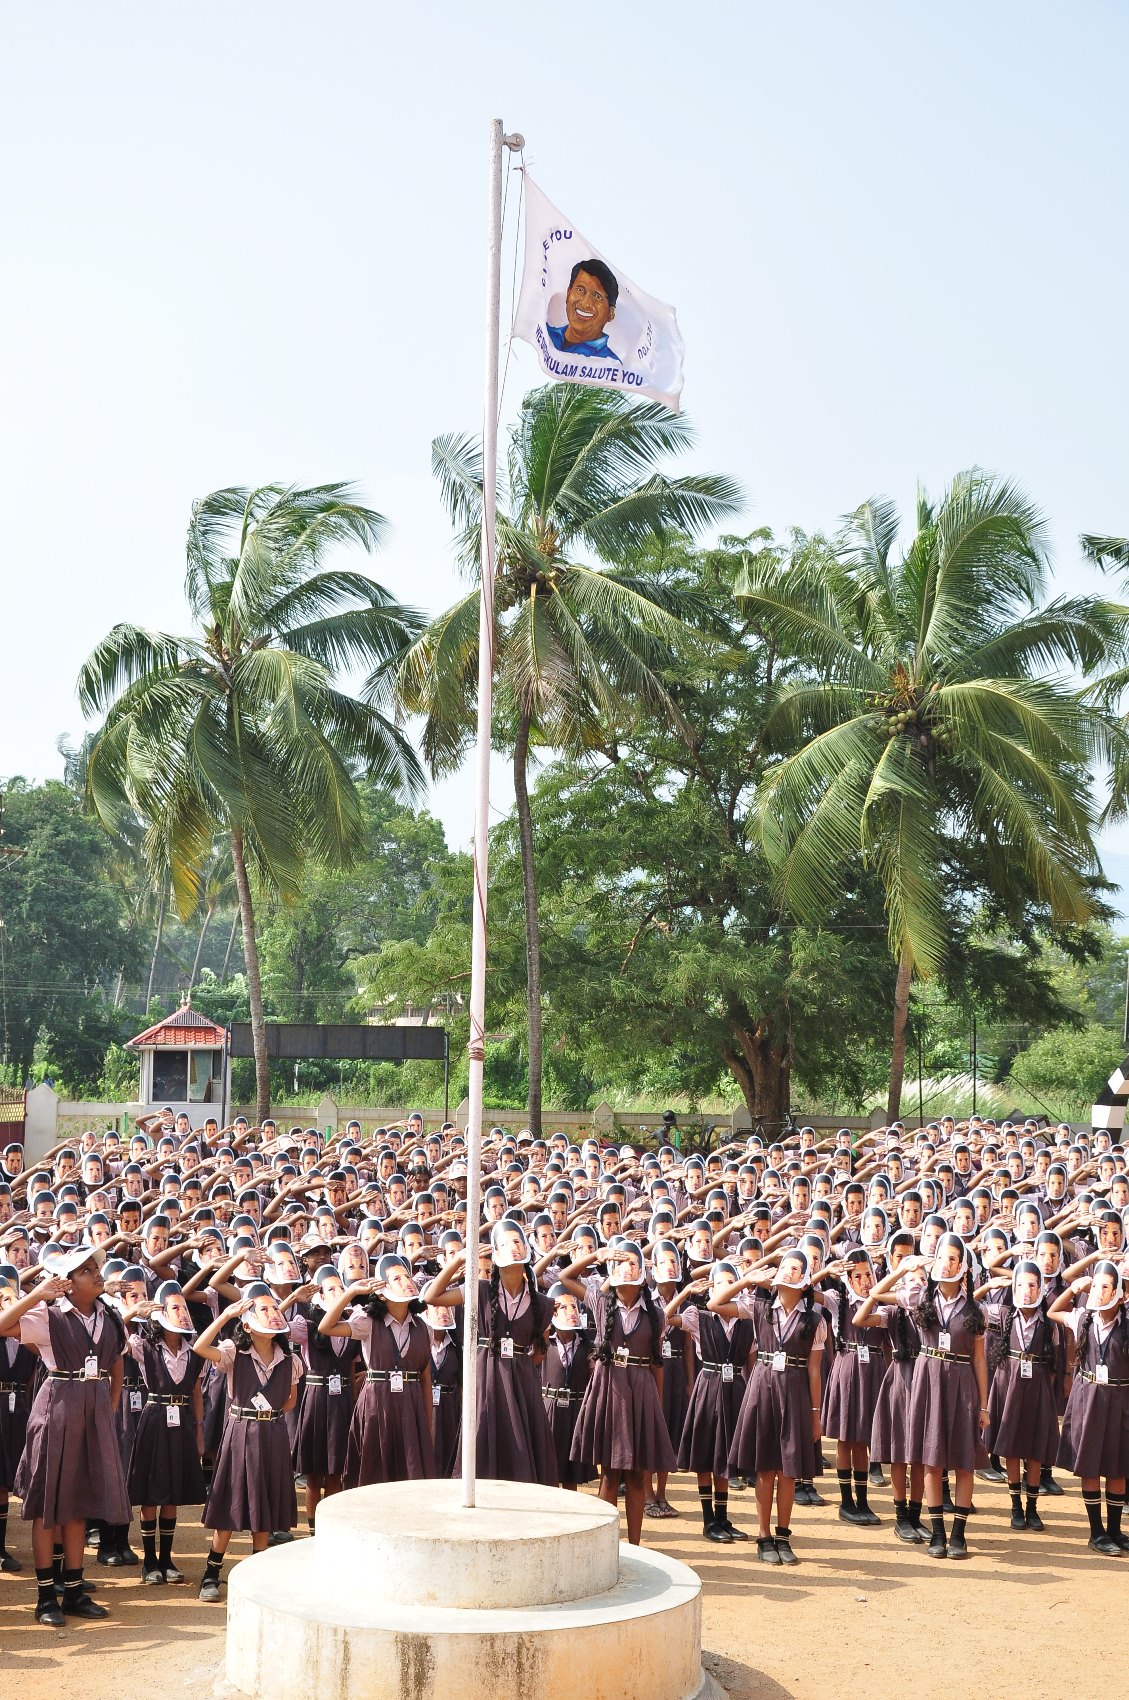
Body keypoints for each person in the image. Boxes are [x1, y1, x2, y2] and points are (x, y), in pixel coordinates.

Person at [4, 1245, 129, 1626]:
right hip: (56, 1408)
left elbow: (115, 1365)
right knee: (47, 1508)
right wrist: (36, 1294)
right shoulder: (49, 1314)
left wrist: (107, 1409)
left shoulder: (109, 1315)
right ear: (68, 1284)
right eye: (86, 1270)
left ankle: (73, 1590)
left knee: (77, 1505)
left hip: (92, 1412)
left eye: (95, 1267)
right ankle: (45, 1599)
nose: (96, 1273)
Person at [712, 1249, 824, 1566]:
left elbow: (815, 1370)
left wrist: (816, 1414)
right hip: (762, 1388)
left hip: (795, 1392)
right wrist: (748, 1277)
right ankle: (763, 1536)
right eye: (784, 1266)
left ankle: (783, 1535)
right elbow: (715, 1303)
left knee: (788, 1471)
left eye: (795, 1268)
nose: (787, 1271)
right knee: (765, 1468)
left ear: (804, 1280)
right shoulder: (760, 1306)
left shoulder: (814, 1320)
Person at [560, 1239, 676, 1546]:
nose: (628, 1267)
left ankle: (635, 1547)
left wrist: (656, 1409)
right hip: (609, 1388)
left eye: (634, 1262)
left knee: (638, 1476)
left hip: (641, 1392)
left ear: (643, 1272)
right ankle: (605, 1546)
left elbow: (656, 1364)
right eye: (622, 1262)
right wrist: (597, 1256)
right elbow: (565, 1278)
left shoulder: (656, 1314)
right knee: (610, 1474)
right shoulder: (601, 1301)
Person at [423, 1219, 556, 1486]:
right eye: (505, 1243)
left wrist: (519, 1371)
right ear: (495, 1252)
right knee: (482, 1445)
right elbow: (432, 1297)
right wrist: (459, 1259)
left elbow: (540, 1351)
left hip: (522, 1386)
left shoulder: (542, 1303)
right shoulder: (480, 1290)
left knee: (520, 1453)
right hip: (485, 1382)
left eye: (517, 1240)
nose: (513, 1247)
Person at [193, 1283, 302, 1602]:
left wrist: (267, 1419)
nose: (272, 1313)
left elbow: (290, 1400)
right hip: (240, 1433)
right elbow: (200, 1347)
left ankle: (258, 1573)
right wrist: (225, 1314)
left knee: (265, 1501)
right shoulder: (232, 1352)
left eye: (275, 1308)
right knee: (231, 1501)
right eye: (264, 1309)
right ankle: (212, 1573)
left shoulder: (289, 1359)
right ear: (248, 1321)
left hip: (273, 1436)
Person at [317, 1253, 435, 1488]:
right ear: (382, 1292)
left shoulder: (424, 1328)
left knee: (409, 1473)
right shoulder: (368, 1322)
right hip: (376, 1404)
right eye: (396, 1279)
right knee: (374, 1470)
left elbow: (425, 1378)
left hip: (411, 1407)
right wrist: (351, 1293)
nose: (406, 1281)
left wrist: (428, 1424)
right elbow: (325, 1327)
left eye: (406, 1276)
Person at [904, 1233, 989, 1559]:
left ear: (963, 1265)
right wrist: (909, 1267)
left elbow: (980, 1359)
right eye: (941, 1257)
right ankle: (937, 1533)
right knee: (931, 1460)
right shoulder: (920, 1300)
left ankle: (958, 1535)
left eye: (953, 1258)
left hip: (962, 1386)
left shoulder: (975, 1310)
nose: (946, 1263)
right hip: (928, 1385)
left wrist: (984, 1404)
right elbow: (881, 1292)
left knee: (964, 1462)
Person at [665, 1260, 754, 1543]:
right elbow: (666, 1317)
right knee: (706, 1456)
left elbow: (751, 1362)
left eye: (732, 1282)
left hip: (734, 1389)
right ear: (711, 1288)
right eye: (721, 1283)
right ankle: (708, 1521)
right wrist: (685, 1291)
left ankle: (723, 1517)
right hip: (708, 1385)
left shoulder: (747, 1318)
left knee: (725, 1456)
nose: (726, 1287)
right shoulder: (698, 1315)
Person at [124, 1280, 207, 1583]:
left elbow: (197, 1391)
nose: (182, 1312)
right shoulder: (144, 1345)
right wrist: (133, 1311)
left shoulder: (195, 1349)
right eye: (174, 1307)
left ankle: (167, 1559)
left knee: (172, 1491)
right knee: (151, 1492)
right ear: (160, 1313)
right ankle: (149, 1562)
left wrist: (199, 1431)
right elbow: (114, 1338)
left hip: (182, 1420)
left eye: (184, 1307)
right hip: (154, 1418)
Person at [1049, 1259, 1129, 1556]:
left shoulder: (1126, 1324)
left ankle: (1115, 1531)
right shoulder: (1083, 1317)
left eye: (1104, 1286)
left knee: (1118, 1466)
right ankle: (1096, 1533)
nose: (1097, 1291)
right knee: (1092, 1464)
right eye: (1094, 1285)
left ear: (1118, 1293)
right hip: (1089, 1397)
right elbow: (1053, 1311)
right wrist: (1074, 1288)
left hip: (1120, 1399)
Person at [546, 259, 621, 360]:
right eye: (580, 290)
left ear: (610, 313)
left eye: (597, 296)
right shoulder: (545, 334)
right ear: (568, 294)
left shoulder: (609, 365)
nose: (585, 303)